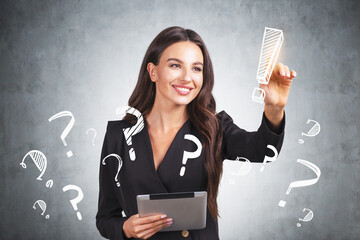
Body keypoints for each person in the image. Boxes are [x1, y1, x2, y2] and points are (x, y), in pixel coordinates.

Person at [96, 26, 296, 240]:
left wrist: (274, 109)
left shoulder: (214, 128)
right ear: (153, 72)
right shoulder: (118, 135)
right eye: (175, 65)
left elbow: (263, 151)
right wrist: (125, 228)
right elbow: (106, 218)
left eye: (196, 69)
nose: (186, 78)